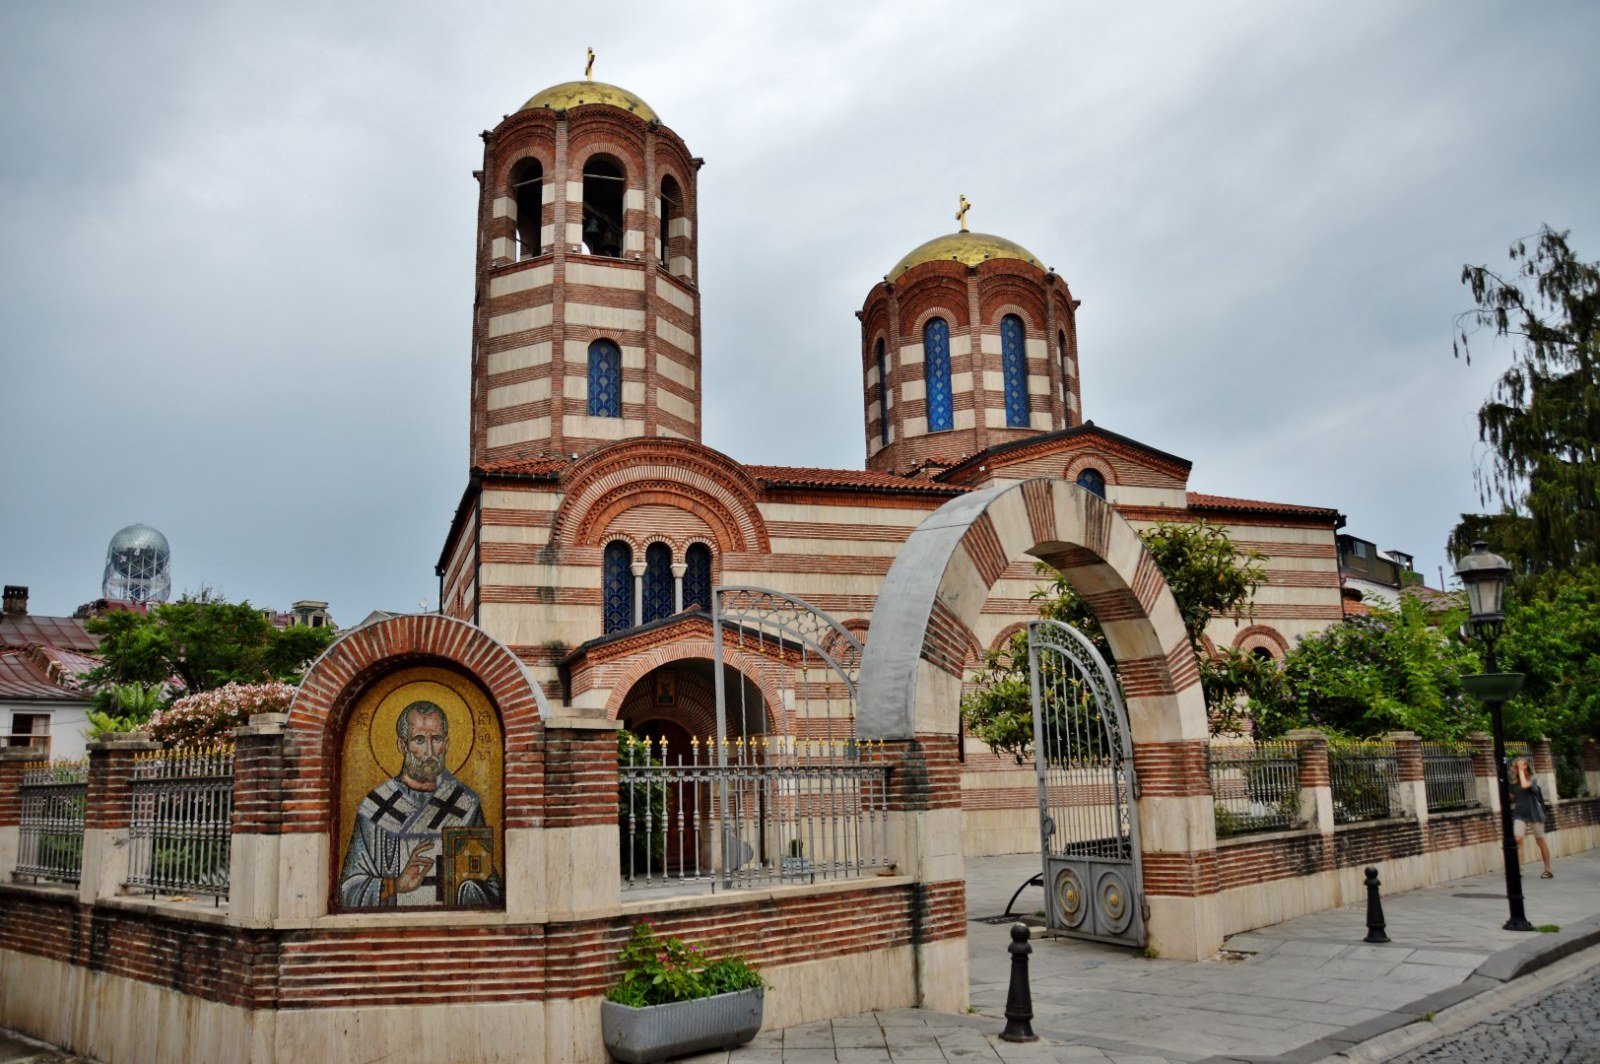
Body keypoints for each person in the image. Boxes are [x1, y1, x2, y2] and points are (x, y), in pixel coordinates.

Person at [340, 700, 503, 907]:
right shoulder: (376, 807)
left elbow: (490, 886)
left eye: (436, 739)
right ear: (402, 745)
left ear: (446, 744)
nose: (429, 751)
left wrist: (467, 889)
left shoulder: (464, 803)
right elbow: (348, 891)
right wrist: (396, 885)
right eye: (418, 740)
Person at [1509, 756, 1553, 879]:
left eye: (1521, 765)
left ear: (1526, 766)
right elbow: (1512, 797)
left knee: (1540, 840)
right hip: (1520, 814)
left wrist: (1522, 771)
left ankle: (1547, 869)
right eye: (1517, 766)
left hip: (1535, 813)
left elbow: (1524, 785)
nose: (1519, 768)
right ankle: (1518, 868)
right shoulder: (1513, 783)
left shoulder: (1533, 779)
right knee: (1517, 839)